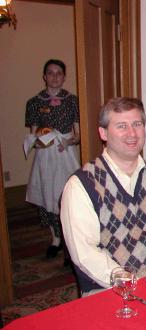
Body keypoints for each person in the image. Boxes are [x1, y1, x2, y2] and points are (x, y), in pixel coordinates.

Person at [60, 97, 146, 295]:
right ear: (103, 133)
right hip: (107, 289)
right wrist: (130, 283)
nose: (132, 133)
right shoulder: (82, 185)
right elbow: (84, 253)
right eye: (121, 126)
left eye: (137, 124)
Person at [25, 59, 80, 258]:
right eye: (50, 73)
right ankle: (55, 239)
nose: (55, 77)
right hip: (45, 155)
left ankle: (69, 241)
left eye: (59, 73)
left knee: (67, 193)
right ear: (44, 76)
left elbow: (78, 134)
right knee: (48, 193)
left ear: (64, 77)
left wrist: (68, 142)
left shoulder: (73, 100)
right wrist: (40, 142)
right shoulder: (34, 102)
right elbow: (32, 135)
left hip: (65, 153)